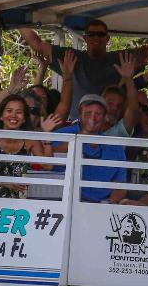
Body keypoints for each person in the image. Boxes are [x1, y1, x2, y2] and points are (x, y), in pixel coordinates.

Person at [19, 1, 148, 118]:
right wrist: (17, 16)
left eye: (101, 34)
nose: (96, 38)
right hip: (76, 127)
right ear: (85, 38)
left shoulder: (120, 58)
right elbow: (37, 44)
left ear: (107, 39)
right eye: (91, 34)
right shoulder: (71, 57)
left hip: (109, 127)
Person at [48, 52, 141, 204]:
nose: (93, 117)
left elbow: (120, 187)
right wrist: (77, 141)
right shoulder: (62, 134)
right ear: (79, 113)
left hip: (99, 207)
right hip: (60, 202)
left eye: (98, 113)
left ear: (104, 116)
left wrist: (107, 205)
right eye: (88, 112)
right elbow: (45, 163)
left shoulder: (114, 146)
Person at [0, 95, 55, 198]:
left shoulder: (31, 140)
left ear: (24, 119)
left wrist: (47, 135)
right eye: (9, 111)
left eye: (18, 112)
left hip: (18, 193)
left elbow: (48, 166)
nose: (13, 115)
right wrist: (6, 184)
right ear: (1, 116)